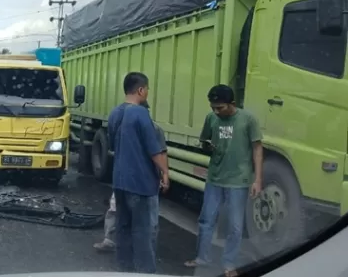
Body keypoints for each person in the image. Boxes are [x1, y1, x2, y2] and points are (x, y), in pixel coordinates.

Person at [185, 85, 263, 277]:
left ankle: (229, 263)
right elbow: (204, 141)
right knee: (206, 220)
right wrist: (207, 147)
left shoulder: (248, 120)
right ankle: (202, 257)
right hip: (215, 178)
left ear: (232, 104)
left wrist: (257, 179)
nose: (216, 111)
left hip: (239, 180)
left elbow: (257, 149)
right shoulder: (211, 118)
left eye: (220, 108)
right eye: (213, 107)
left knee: (235, 225)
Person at [111, 72, 169, 274]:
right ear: (141, 90)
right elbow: (154, 151)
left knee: (123, 228)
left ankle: (124, 269)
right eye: (147, 90)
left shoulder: (115, 113)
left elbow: (114, 144)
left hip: (119, 182)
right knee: (143, 232)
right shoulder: (141, 114)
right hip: (141, 183)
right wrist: (165, 173)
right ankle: (145, 272)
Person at [95, 101, 167, 253]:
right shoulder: (134, 129)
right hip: (137, 180)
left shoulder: (152, 130)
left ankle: (135, 247)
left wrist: (164, 174)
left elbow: (160, 153)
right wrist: (164, 174)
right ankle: (126, 245)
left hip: (134, 180)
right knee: (136, 215)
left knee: (131, 215)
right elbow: (160, 154)